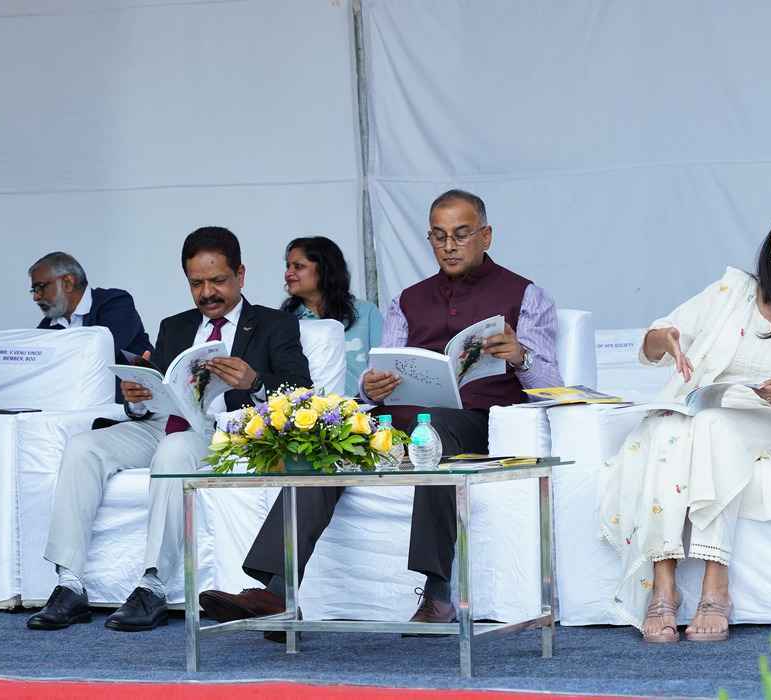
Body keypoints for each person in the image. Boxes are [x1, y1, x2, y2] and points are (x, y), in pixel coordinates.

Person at [199, 189, 563, 636]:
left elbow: (552, 387)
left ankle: (437, 593)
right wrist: (369, 388)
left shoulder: (524, 295)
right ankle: (278, 592)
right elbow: (382, 370)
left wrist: (521, 355)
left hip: (476, 420)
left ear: (485, 236)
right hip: (401, 418)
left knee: (434, 432)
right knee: (327, 438)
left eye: (461, 234)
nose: (449, 246)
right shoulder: (407, 300)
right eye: (439, 236)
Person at [600, 200, 771, 643]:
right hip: (704, 411)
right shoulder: (733, 293)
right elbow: (655, 342)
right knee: (669, 427)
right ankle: (663, 586)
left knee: (712, 426)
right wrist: (663, 339)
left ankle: (716, 585)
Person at [27, 227, 312, 633]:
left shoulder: (274, 324)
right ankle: (69, 583)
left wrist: (255, 382)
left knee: (175, 449)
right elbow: (161, 391)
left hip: (222, 430)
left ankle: (153, 585)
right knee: (83, 446)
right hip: (164, 422)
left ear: (241, 274)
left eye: (218, 281)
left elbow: (300, 391)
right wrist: (137, 396)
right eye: (196, 283)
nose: (207, 293)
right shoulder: (174, 326)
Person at [30, 251, 153, 401]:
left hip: (128, 407)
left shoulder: (115, 303)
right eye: (34, 290)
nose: (36, 297)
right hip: (70, 408)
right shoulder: (46, 327)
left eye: (40, 287)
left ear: (67, 282)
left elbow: (98, 353)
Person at [281, 236, 382, 396]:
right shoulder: (284, 321)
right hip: (309, 410)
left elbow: (383, 367)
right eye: (288, 266)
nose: (288, 273)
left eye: (298, 266)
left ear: (325, 269)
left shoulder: (366, 312)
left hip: (365, 407)